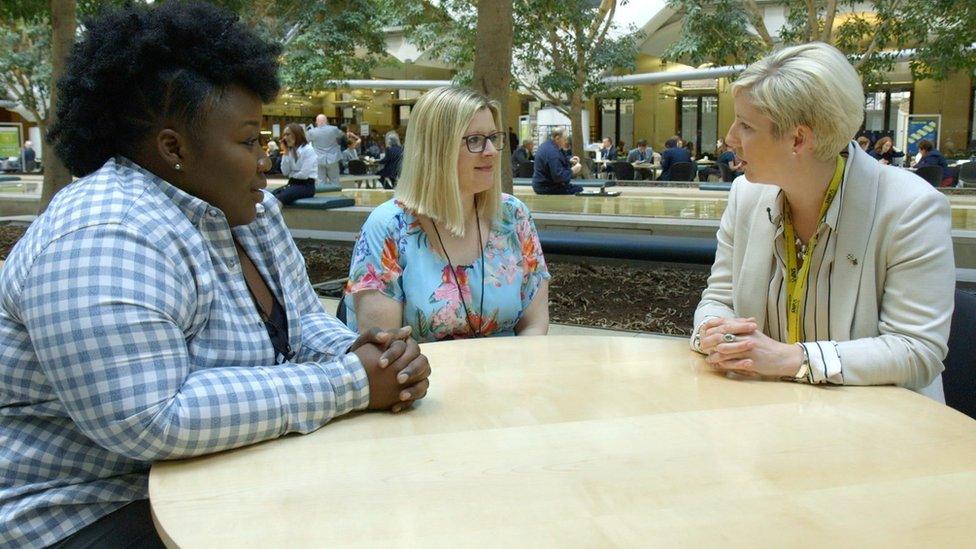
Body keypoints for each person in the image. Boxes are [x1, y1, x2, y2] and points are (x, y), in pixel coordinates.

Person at [0, 3, 430, 547]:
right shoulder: (107, 233)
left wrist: (369, 354)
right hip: (82, 510)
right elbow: (153, 417)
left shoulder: (248, 213)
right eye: (249, 141)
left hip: (218, 478)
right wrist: (351, 383)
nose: (266, 162)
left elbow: (301, 324)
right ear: (173, 148)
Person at [691, 42, 952, 401]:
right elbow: (717, 299)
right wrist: (713, 331)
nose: (730, 138)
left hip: (881, 431)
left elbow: (917, 350)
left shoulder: (911, 209)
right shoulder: (745, 196)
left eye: (746, 126)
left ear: (798, 139)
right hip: (766, 417)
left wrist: (793, 359)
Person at [345, 86, 550, 342]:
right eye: (474, 140)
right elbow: (387, 348)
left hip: (508, 376)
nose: (490, 151)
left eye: (493, 138)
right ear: (436, 149)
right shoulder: (389, 226)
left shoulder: (513, 215)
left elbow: (535, 323)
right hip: (424, 379)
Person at [272, 123, 317, 205]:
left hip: (306, 186)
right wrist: (285, 153)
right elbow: (285, 172)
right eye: (284, 135)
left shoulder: (308, 150)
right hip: (292, 184)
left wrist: (291, 174)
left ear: (296, 135)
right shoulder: (289, 151)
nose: (285, 138)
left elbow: (304, 175)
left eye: (288, 134)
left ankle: (275, 218)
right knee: (271, 196)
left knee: (280, 198)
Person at [532, 127, 582, 194]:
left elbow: (561, 157)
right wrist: (573, 170)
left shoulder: (548, 145)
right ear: (557, 138)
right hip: (547, 187)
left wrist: (570, 159)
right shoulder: (552, 152)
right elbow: (558, 177)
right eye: (565, 139)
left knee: (576, 188)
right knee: (579, 190)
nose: (566, 141)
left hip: (543, 184)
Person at [306, 114, 343, 186]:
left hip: (318, 159)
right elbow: (341, 135)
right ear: (326, 121)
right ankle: (336, 196)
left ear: (317, 122)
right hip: (333, 158)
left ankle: (323, 196)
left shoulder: (311, 132)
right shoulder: (334, 129)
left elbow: (306, 141)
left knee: (320, 181)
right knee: (335, 180)